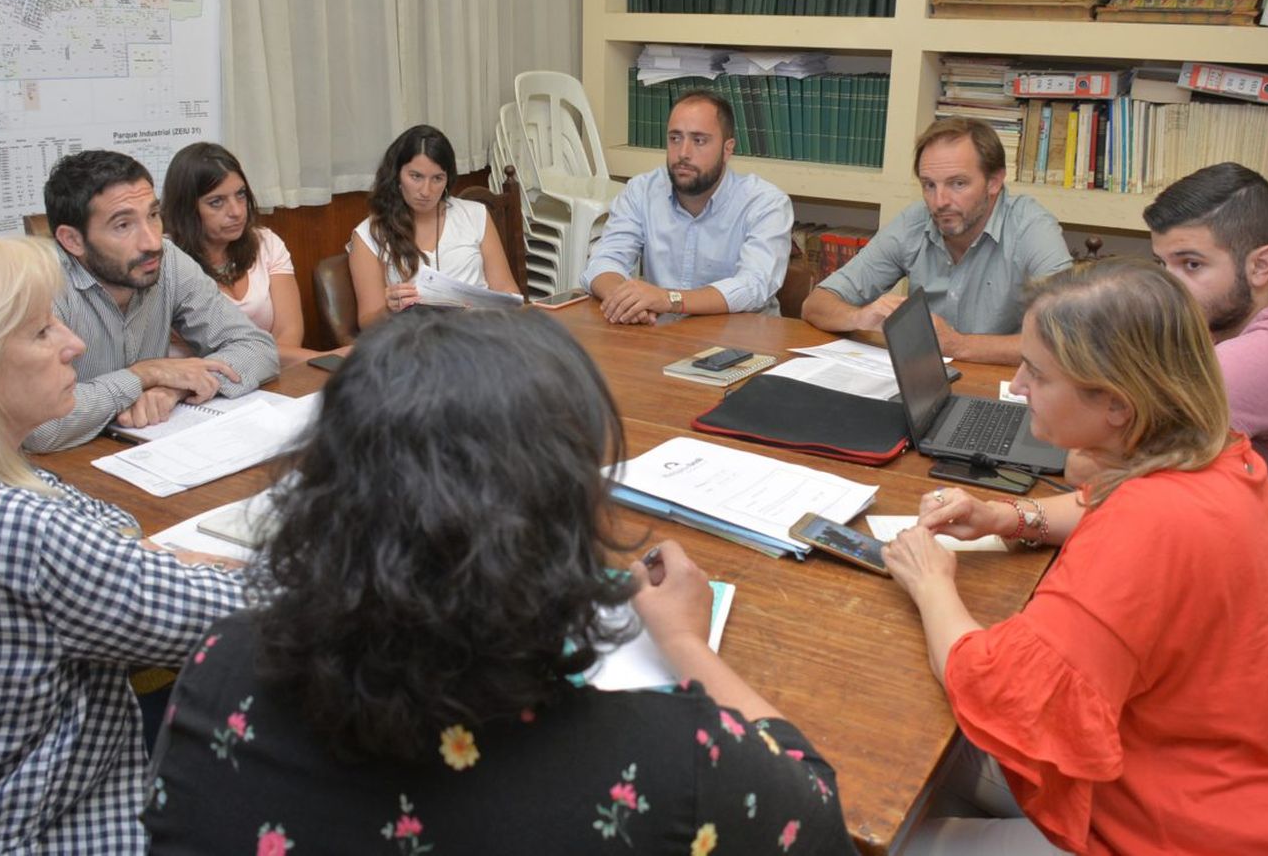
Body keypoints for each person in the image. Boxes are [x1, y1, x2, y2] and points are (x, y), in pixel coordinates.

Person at [143, 308, 854, 855]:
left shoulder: (218, 670)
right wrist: (687, 643)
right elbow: (819, 814)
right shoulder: (668, 764)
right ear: (552, 524)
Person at [882, 259, 1268, 855]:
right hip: (1263, 796)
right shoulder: (1220, 456)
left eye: (1039, 373)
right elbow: (1103, 505)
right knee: (936, 771)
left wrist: (932, 582)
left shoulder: (1144, 528)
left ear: (1117, 406)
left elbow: (995, 685)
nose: (1020, 386)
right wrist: (1012, 516)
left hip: (1195, 833)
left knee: (891, 813)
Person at [0, 235, 243, 853]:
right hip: (28, 830)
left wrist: (140, 561)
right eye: (41, 332)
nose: (75, 345)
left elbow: (96, 548)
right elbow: (245, 614)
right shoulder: (19, 528)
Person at [1144, 162, 1268, 707]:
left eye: (1191, 265)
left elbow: (1118, 470)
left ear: (1261, 264)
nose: (1169, 287)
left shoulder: (1264, 358)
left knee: (1140, 628)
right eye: (1161, 264)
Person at [28, 149, 280, 452]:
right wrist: (141, 376)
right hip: (61, 471)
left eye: (153, 215)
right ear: (73, 241)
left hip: (147, 452)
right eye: (123, 225)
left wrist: (173, 386)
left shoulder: (167, 260)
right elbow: (40, 426)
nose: (151, 241)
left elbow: (258, 349)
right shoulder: (37, 286)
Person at [801, 117, 1071, 363]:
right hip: (928, 381)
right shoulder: (914, 222)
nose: (940, 202)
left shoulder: (1031, 228)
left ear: (994, 181)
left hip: (1006, 387)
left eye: (958, 184)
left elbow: (1070, 338)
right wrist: (859, 317)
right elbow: (816, 304)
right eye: (929, 185)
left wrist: (958, 345)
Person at [581, 90, 792, 323]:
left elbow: (754, 286)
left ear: (727, 149)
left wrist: (669, 299)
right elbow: (604, 260)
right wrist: (624, 301)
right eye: (675, 138)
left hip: (740, 343)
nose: (683, 153)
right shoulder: (641, 191)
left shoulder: (765, 203)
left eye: (699, 140)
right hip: (663, 340)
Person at [160, 141, 319, 365]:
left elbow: (289, 332)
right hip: (196, 387)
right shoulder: (166, 259)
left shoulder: (267, 243)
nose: (236, 211)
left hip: (267, 378)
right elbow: (218, 349)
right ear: (186, 209)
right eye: (216, 202)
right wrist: (327, 359)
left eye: (241, 194)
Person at [347, 124, 519, 327]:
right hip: (416, 342)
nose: (426, 191)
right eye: (416, 177)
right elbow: (367, 322)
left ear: (448, 179)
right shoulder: (369, 234)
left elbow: (508, 292)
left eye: (437, 178)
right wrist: (389, 310)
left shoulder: (475, 214)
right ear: (396, 175)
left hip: (481, 332)